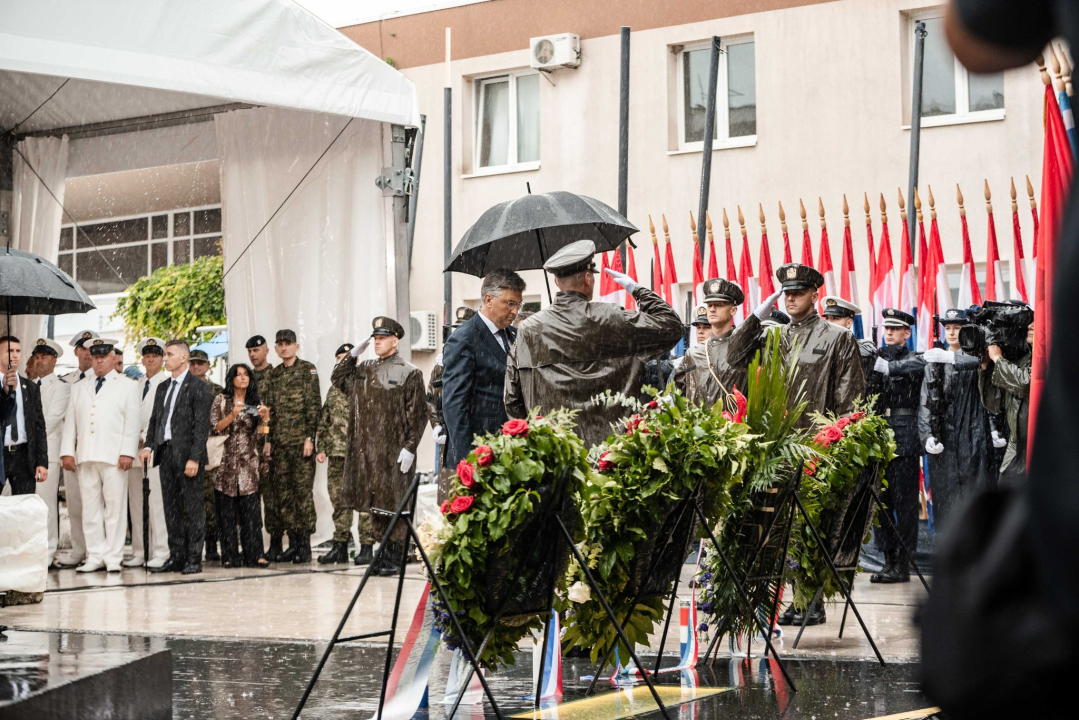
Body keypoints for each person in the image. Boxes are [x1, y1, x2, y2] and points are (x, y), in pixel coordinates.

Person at [505, 240, 684, 448]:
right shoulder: (611, 318)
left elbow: (512, 399)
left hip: (556, 456)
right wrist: (636, 289)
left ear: (556, 282)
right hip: (612, 455)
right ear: (588, 279)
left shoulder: (528, 329)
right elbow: (671, 326)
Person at [331, 317, 427, 576]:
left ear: (395, 341)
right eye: (374, 338)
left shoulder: (409, 372)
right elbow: (337, 379)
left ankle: (395, 557)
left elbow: (417, 414)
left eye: (382, 338)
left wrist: (410, 446)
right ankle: (381, 554)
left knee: (394, 503)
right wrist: (352, 355)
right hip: (368, 451)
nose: (377, 342)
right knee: (375, 505)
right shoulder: (366, 369)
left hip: (394, 451)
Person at [737, 264, 865, 427]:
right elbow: (735, 356)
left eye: (798, 293)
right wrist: (755, 317)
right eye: (787, 293)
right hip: (776, 442)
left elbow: (849, 398)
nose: (791, 298)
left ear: (814, 297)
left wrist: (841, 438)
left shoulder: (839, 336)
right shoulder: (771, 335)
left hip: (819, 441)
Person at [59, 338, 140, 573]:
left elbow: (132, 423)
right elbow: (71, 424)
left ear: (113, 357)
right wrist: (67, 452)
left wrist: (127, 452)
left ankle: (113, 556)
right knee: (90, 508)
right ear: (90, 359)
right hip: (86, 455)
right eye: (95, 356)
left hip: (115, 456)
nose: (100, 360)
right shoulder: (79, 387)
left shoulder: (127, 385)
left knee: (114, 509)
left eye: (104, 356)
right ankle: (94, 555)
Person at [917, 309, 993, 533]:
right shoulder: (935, 361)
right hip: (945, 442)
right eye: (948, 328)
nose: (951, 333)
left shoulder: (977, 359)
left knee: (976, 503)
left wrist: (952, 358)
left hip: (974, 438)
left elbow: (982, 364)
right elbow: (925, 403)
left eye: (957, 328)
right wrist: (927, 435)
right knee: (946, 505)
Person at [140, 340, 212, 574]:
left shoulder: (198, 387)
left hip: (188, 455)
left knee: (192, 509)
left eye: (169, 354)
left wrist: (195, 458)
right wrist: (150, 446)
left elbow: (201, 427)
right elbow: (155, 421)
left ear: (183, 358)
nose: (165, 358)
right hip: (166, 453)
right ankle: (177, 555)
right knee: (170, 508)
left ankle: (194, 558)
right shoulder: (162, 387)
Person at [865, 308, 925, 584]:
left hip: (905, 439)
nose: (888, 332)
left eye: (895, 328)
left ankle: (903, 562)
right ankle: (888, 560)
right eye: (885, 328)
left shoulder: (914, 359)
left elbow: (920, 366)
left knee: (906, 505)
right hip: (878, 437)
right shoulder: (874, 358)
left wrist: (889, 367)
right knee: (882, 504)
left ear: (907, 333)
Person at [443, 270, 525, 467]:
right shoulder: (464, 338)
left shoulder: (515, 336)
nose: (515, 311)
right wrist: (467, 460)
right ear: (489, 300)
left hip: (512, 446)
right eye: (510, 303)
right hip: (481, 449)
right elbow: (454, 404)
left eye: (518, 304)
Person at [260, 329, 321, 564]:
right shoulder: (273, 375)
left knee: (302, 493)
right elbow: (269, 412)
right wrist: (268, 441)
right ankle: (293, 543)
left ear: (296, 347)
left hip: (300, 444)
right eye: (280, 344)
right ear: (275, 348)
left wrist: (309, 438)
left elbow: (313, 405)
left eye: (288, 344)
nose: (284, 348)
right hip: (280, 445)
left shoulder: (308, 369)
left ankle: (304, 545)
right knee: (284, 494)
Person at [209, 363, 270, 568]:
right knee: (226, 514)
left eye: (246, 375)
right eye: (238, 375)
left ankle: (255, 554)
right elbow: (216, 427)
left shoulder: (255, 401)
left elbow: (262, 435)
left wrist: (266, 419)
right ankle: (229, 555)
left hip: (248, 463)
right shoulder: (222, 399)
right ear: (232, 379)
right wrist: (233, 414)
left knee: (251, 514)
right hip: (225, 463)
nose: (243, 378)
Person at [673, 279, 760, 408]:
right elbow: (680, 393)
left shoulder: (746, 348)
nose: (712, 309)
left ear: (733, 310)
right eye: (710, 305)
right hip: (699, 426)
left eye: (719, 305)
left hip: (735, 425)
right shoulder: (694, 353)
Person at [124, 337, 170, 569]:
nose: (150, 358)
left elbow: (165, 417)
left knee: (157, 504)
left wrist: (147, 434)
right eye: (147, 355)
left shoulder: (167, 382)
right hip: (133, 451)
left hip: (156, 450)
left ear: (162, 358)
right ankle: (140, 551)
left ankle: (161, 550)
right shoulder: (136, 384)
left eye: (155, 355)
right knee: (136, 504)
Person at [56, 329, 98, 567]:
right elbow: (64, 422)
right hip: (72, 452)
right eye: (83, 348)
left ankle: (96, 551)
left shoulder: (100, 380)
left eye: (92, 349)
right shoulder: (67, 382)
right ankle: (79, 550)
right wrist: (66, 451)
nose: (87, 353)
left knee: (95, 504)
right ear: (76, 351)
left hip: (93, 451)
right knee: (74, 503)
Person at [29, 339, 72, 568]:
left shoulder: (61, 387)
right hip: (26, 455)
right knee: (29, 504)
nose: (39, 360)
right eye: (37, 356)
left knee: (46, 505)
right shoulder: (27, 385)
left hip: (48, 454)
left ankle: (48, 551)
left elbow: (51, 420)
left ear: (54, 360)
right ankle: (32, 550)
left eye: (44, 356)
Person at [428, 307, 476, 500]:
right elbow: (432, 397)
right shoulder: (441, 363)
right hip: (445, 437)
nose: (457, 333)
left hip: (468, 434)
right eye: (456, 329)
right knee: (447, 493)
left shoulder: (478, 357)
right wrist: (436, 425)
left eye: (462, 328)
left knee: (467, 491)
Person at [316, 343, 357, 565]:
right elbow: (325, 419)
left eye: (347, 358)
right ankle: (340, 545)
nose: (343, 362)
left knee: (363, 500)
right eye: (339, 358)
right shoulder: (333, 389)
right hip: (337, 453)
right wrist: (321, 447)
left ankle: (367, 547)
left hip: (359, 453)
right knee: (338, 499)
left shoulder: (364, 384)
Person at [2, 336, 49, 497]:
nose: (15, 355)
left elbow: (39, 425)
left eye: (18, 351)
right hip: (1, 453)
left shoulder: (30, 387)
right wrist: (6, 394)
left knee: (25, 509)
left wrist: (41, 461)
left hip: (24, 457)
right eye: (10, 351)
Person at [189, 348, 223, 561]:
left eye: (200, 363)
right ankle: (194, 545)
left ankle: (211, 545)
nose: (196, 367)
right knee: (192, 502)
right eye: (192, 363)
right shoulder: (183, 388)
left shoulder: (217, 390)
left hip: (211, 447)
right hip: (189, 448)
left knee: (211, 501)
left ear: (207, 366)